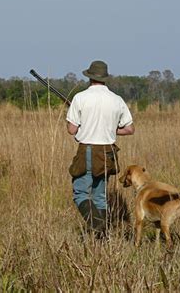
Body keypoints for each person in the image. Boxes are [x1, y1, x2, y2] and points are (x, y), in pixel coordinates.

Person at [66, 60, 135, 237]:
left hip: (87, 150)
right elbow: (129, 129)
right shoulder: (116, 100)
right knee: (100, 196)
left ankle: (97, 226)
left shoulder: (80, 98)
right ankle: (102, 236)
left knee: (81, 193)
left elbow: (71, 129)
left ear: (89, 77)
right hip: (108, 153)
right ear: (104, 78)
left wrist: (82, 124)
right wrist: (111, 129)